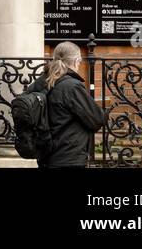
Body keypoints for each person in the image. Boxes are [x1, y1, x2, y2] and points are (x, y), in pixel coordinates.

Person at [28, 40, 106, 168]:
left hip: (44, 156)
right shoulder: (71, 86)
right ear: (76, 61)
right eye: (80, 61)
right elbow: (97, 119)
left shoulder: (39, 84)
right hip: (68, 157)